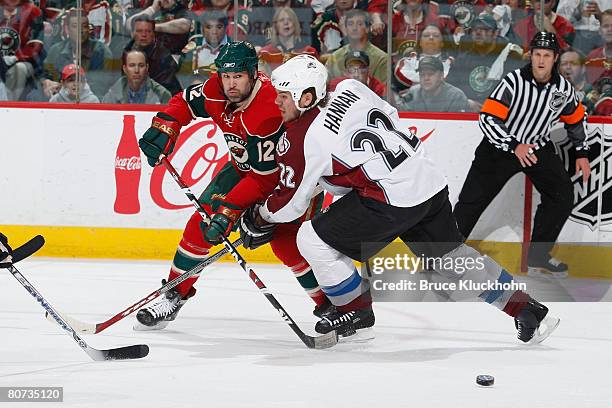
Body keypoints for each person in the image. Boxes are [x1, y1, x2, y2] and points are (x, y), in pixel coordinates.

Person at [237, 54, 560, 344]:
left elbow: (292, 203)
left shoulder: (303, 137)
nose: (277, 102)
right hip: (426, 180)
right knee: (450, 258)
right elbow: (389, 114)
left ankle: (355, 312)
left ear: (307, 97)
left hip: (391, 199)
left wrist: (261, 217)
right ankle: (527, 308)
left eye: (284, 95)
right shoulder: (351, 87)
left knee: (312, 238)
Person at [134, 41, 331, 330]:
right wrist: (167, 124)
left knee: (288, 245)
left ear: (253, 73)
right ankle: (175, 294)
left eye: (238, 76)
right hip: (244, 171)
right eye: (226, 76)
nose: (230, 84)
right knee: (199, 226)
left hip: (289, 179)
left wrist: (228, 211)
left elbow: (264, 180)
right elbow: (185, 102)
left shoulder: (266, 111)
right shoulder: (216, 89)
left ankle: (331, 304)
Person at [453, 32, 591, 279]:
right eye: (537, 54)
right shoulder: (513, 82)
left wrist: (581, 153)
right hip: (499, 149)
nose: (540, 60)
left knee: (561, 194)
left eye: (546, 55)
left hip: (537, 147)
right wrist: (514, 144)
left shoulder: (563, 89)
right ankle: (441, 255)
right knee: (471, 201)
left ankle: (538, 256)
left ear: (555, 58)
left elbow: (576, 120)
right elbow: (488, 118)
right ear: (530, 55)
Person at [324, 9, 388, 84]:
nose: (354, 28)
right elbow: (327, 87)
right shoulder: (334, 58)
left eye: (359, 24)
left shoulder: (381, 59)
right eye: (350, 24)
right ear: (345, 28)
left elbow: (382, 91)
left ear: (367, 28)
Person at [124, 16, 182, 95]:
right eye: (139, 31)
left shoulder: (163, 57)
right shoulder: (124, 51)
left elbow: (164, 92)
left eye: (148, 31)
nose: (144, 35)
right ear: (132, 33)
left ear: (154, 34)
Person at [257, 7, 318, 76]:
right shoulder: (265, 54)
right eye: (281, 20)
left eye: (290, 19)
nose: (286, 23)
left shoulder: (309, 52)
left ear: (295, 25)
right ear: (276, 26)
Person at [398, 56, 469, 112]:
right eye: (422, 74)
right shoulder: (413, 93)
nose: (426, 78)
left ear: (441, 76)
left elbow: (458, 126)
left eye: (430, 74)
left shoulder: (456, 96)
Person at [102, 50, 171, 104]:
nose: (136, 70)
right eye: (132, 65)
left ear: (147, 68)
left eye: (141, 65)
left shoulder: (162, 95)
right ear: (125, 69)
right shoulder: (112, 95)